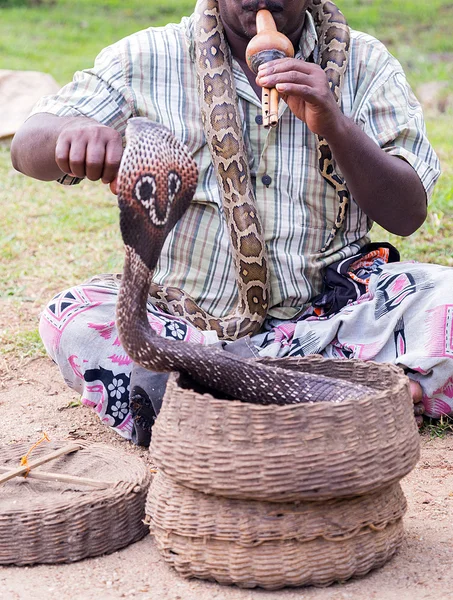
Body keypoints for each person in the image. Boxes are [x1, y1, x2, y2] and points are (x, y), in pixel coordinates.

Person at [11, 0, 450, 446]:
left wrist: (335, 124)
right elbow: (27, 144)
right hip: (189, 326)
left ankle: (209, 410)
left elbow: (406, 213)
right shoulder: (146, 56)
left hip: (336, 314)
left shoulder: (366, 62)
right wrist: (70, 136)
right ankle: (365, 399)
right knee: (72, 319)